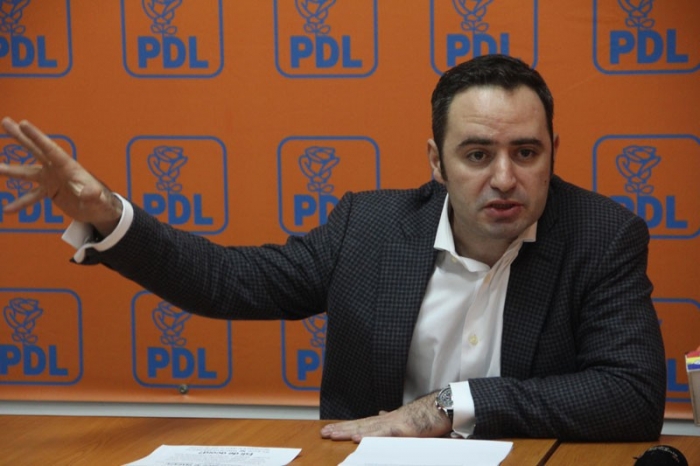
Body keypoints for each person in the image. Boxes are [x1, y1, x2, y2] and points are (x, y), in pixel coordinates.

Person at [0, 54, 666, 442]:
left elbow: (631, 393)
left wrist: (441, 408)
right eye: (476, 154)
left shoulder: (601, 236)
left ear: (553, 153)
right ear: (436, 162)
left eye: (526, 152)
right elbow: (227, 281)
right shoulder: (368, 229)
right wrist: (108, 214)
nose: (503, 177)